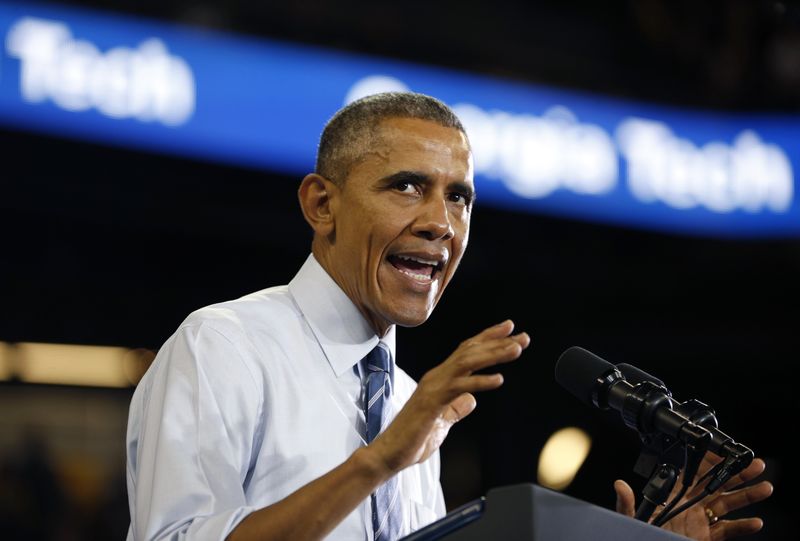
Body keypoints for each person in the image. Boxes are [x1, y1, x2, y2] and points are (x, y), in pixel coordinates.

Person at [125, 92, 771, 541]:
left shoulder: (410, 405)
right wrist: (377, 461)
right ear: (322, 203)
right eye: (406, 185)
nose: (440, 222)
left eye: (458, 196)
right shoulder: (224, 348)